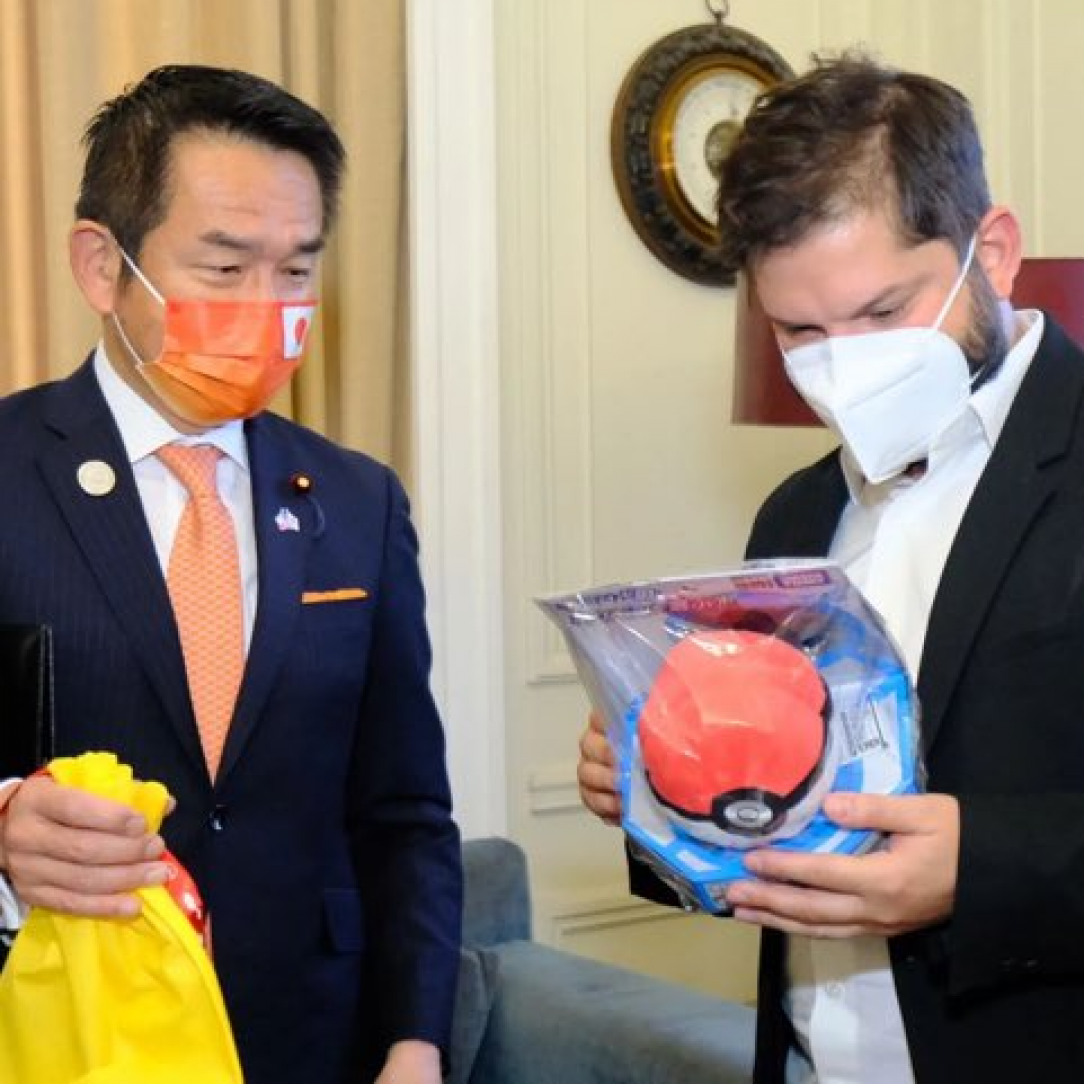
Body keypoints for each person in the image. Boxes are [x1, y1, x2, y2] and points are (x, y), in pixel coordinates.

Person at [578, 54, 1084, 1084]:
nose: (840, 360)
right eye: (799, 329)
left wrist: (978, 869)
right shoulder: (797, 510)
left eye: (881, 312)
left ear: (993, 252)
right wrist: (662, 786)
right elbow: (781, 811)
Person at [0, 65, 461, 1084]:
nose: (267, 308)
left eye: (296, 270)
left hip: (315, 1037)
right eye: (223, 267)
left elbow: (404, 815)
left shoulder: (358, 501)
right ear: (100, 264)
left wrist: (415, 1041)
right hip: (70, 1036)